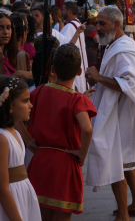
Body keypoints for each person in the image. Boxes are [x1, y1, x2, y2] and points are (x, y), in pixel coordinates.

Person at [85, 6, 135, 220]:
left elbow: (131, 84)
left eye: (102, 24)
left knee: (116, 162)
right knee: (127, 163)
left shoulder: (124, 49)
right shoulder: (113, 44)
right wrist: (98, 81)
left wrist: (99, 78)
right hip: (120, 113)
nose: (97, 27)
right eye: (96, 23)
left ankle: (124, 214)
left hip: (125, 115)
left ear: (117, 25)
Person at [27, 44, 96, 220]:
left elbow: (18, 116)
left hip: (41, 160)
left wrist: (28, 142)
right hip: (65, 163)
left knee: (40, 215)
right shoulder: (77, 100)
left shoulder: (39, 91)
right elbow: (87, 128)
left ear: (52, 69)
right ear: (79, 72)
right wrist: (82, 153)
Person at [0, 76, 41, 221]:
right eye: (25, 101)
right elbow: (2, 189)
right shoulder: (2, 138)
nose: (30, 105)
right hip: (11, 202)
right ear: (10, 106)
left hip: (23, 195)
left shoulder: (16, 132)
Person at [60, 1, 89, 93]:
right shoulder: (77, 23)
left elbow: (63, 49)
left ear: (69, 11)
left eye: (63, 10)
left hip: (73, 66)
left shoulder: (69, 26)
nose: (62, 12)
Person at [0, 13, 32, 80]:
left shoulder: (6, 55)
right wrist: (18, 74)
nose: (5, 32)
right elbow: (2, 86)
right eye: (1, 28)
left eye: (8, 27)